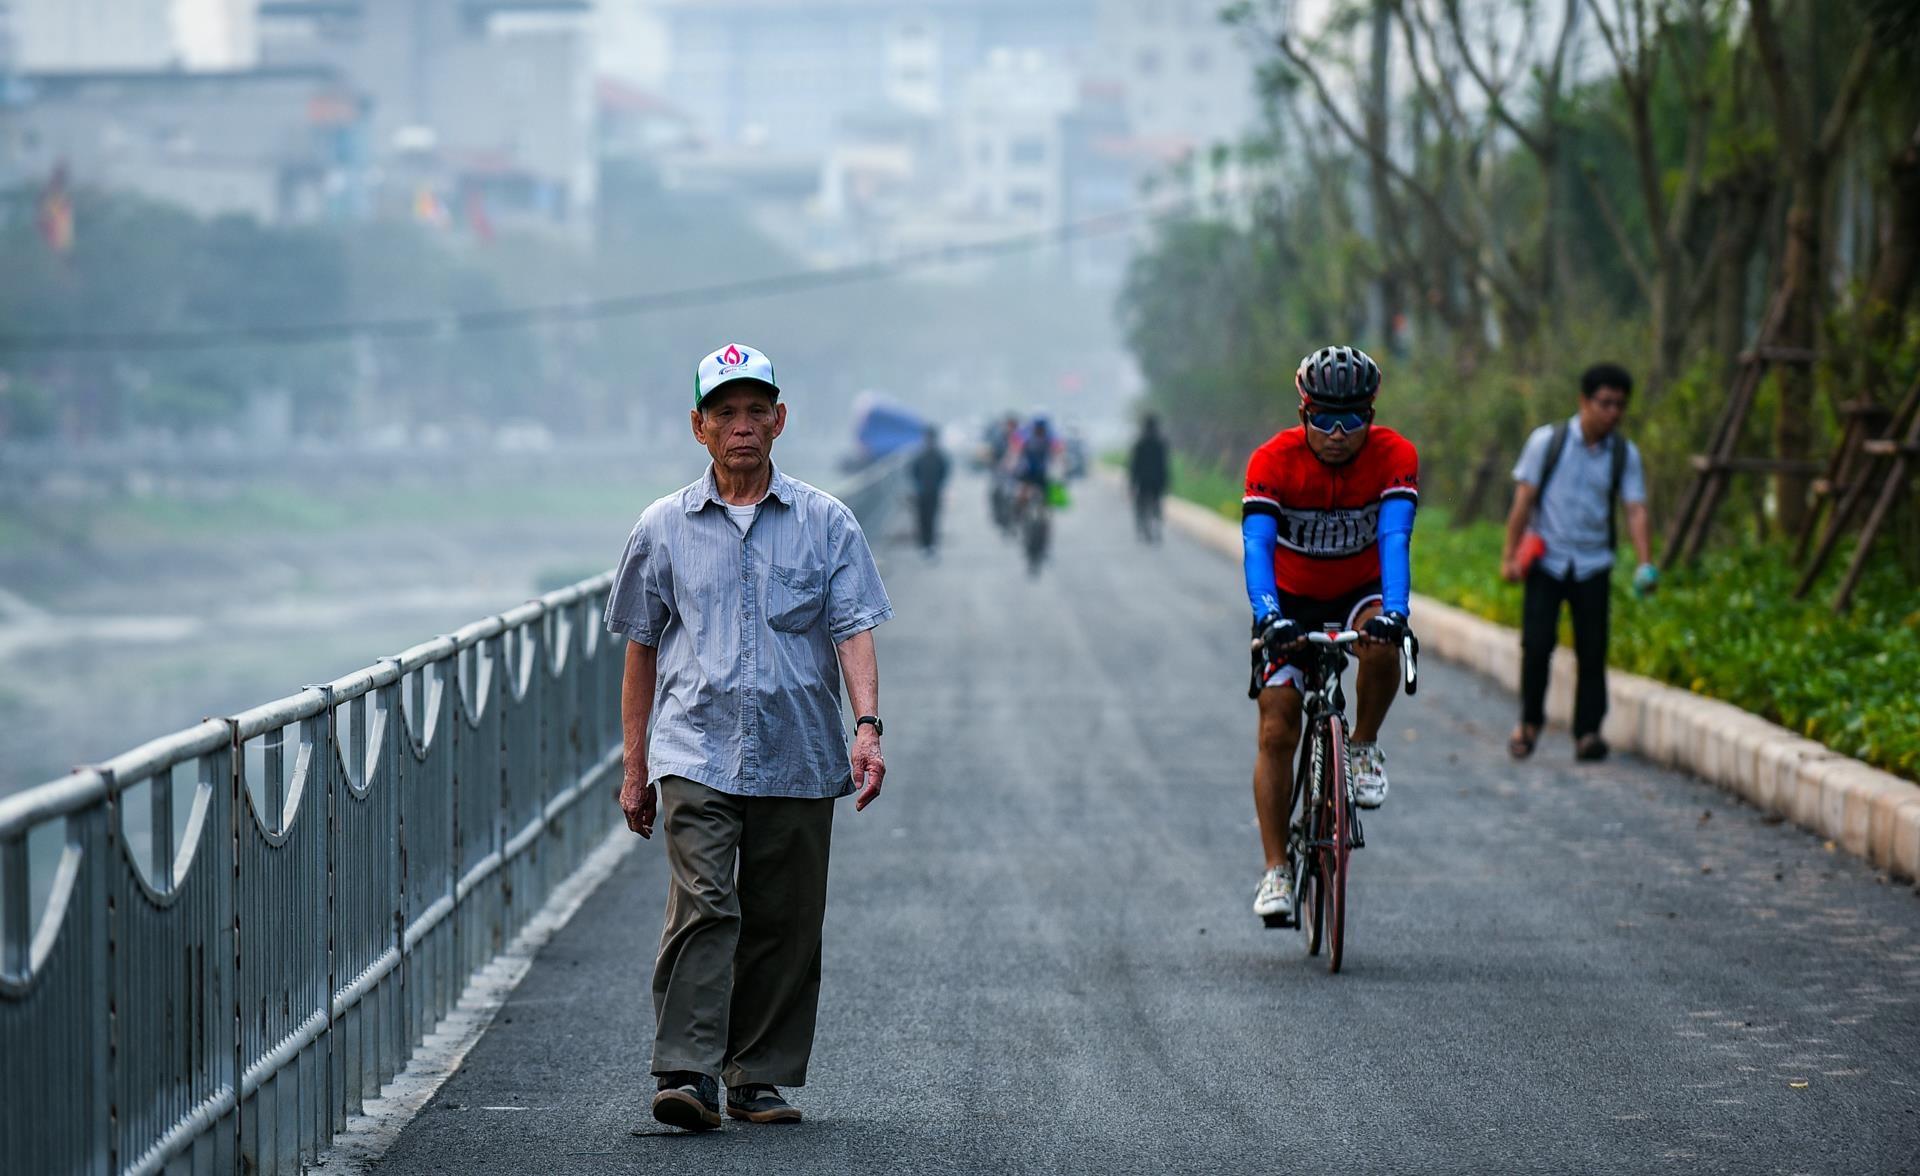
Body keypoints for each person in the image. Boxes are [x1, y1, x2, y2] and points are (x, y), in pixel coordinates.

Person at [604, 342, 894, 1132]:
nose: (742, 427)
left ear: (780, 420)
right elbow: (640, 646)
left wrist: (865, 727)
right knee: (705, 901)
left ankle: (757, 1075)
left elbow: (855, 629)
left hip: (800, 747)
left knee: (785, 916)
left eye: (755, 411)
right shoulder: (662, 527)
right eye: (724, 413)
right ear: (698, 428)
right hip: (695, 748)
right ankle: (687, 1072)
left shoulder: (826, 522)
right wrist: (636, 768)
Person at [1242, 345, 1418, 924]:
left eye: (1352, 420)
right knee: (1276, 724)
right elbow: (1258, 547)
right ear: (1303, 415)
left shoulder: (1395, 456)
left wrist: (1395, 611)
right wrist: (1269, 616)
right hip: (1289, 599)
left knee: (1385, 641)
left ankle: (1363, 745)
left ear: (1372, 415)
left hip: (1359, 591)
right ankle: (1276, 871)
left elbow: (1394, 539)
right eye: (1323, 419)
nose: (1338, 434)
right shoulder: (1272, 461)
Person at [1499, 362, 1655, 763]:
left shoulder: (1624, 454)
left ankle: (1587, 732)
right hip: (1546, 560)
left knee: (1592, 648)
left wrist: (1644, 562)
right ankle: (1529, 722)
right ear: (1584, 401)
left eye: (1620, 405)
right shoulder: (1546, 442)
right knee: (1536, 645)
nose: (1613, 413)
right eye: (1605, 403)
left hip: (1593, 563)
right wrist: (1509, 556)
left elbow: (1635, 509)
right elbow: (1523, 501)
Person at [909, 424, 951, 558]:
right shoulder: (924, 455)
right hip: (924, 492)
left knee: (930, 518)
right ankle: (925, 545)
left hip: (931, 492)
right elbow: (913, 472)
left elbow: (944, 472)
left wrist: (938, 485)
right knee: (923, 519)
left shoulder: (934, 455)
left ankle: (930, 545)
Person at [1128, 414, 1171, 543]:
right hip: (1158, 480)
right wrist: (1167, 481)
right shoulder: (1161, 443)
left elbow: (1134, 465)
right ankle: (1157, 527)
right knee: (1157, 504)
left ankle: (1144, 527)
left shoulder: (1140, 443)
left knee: (1141, 505)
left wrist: (1131, 483)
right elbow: (1165, 465)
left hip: (1143, 480)